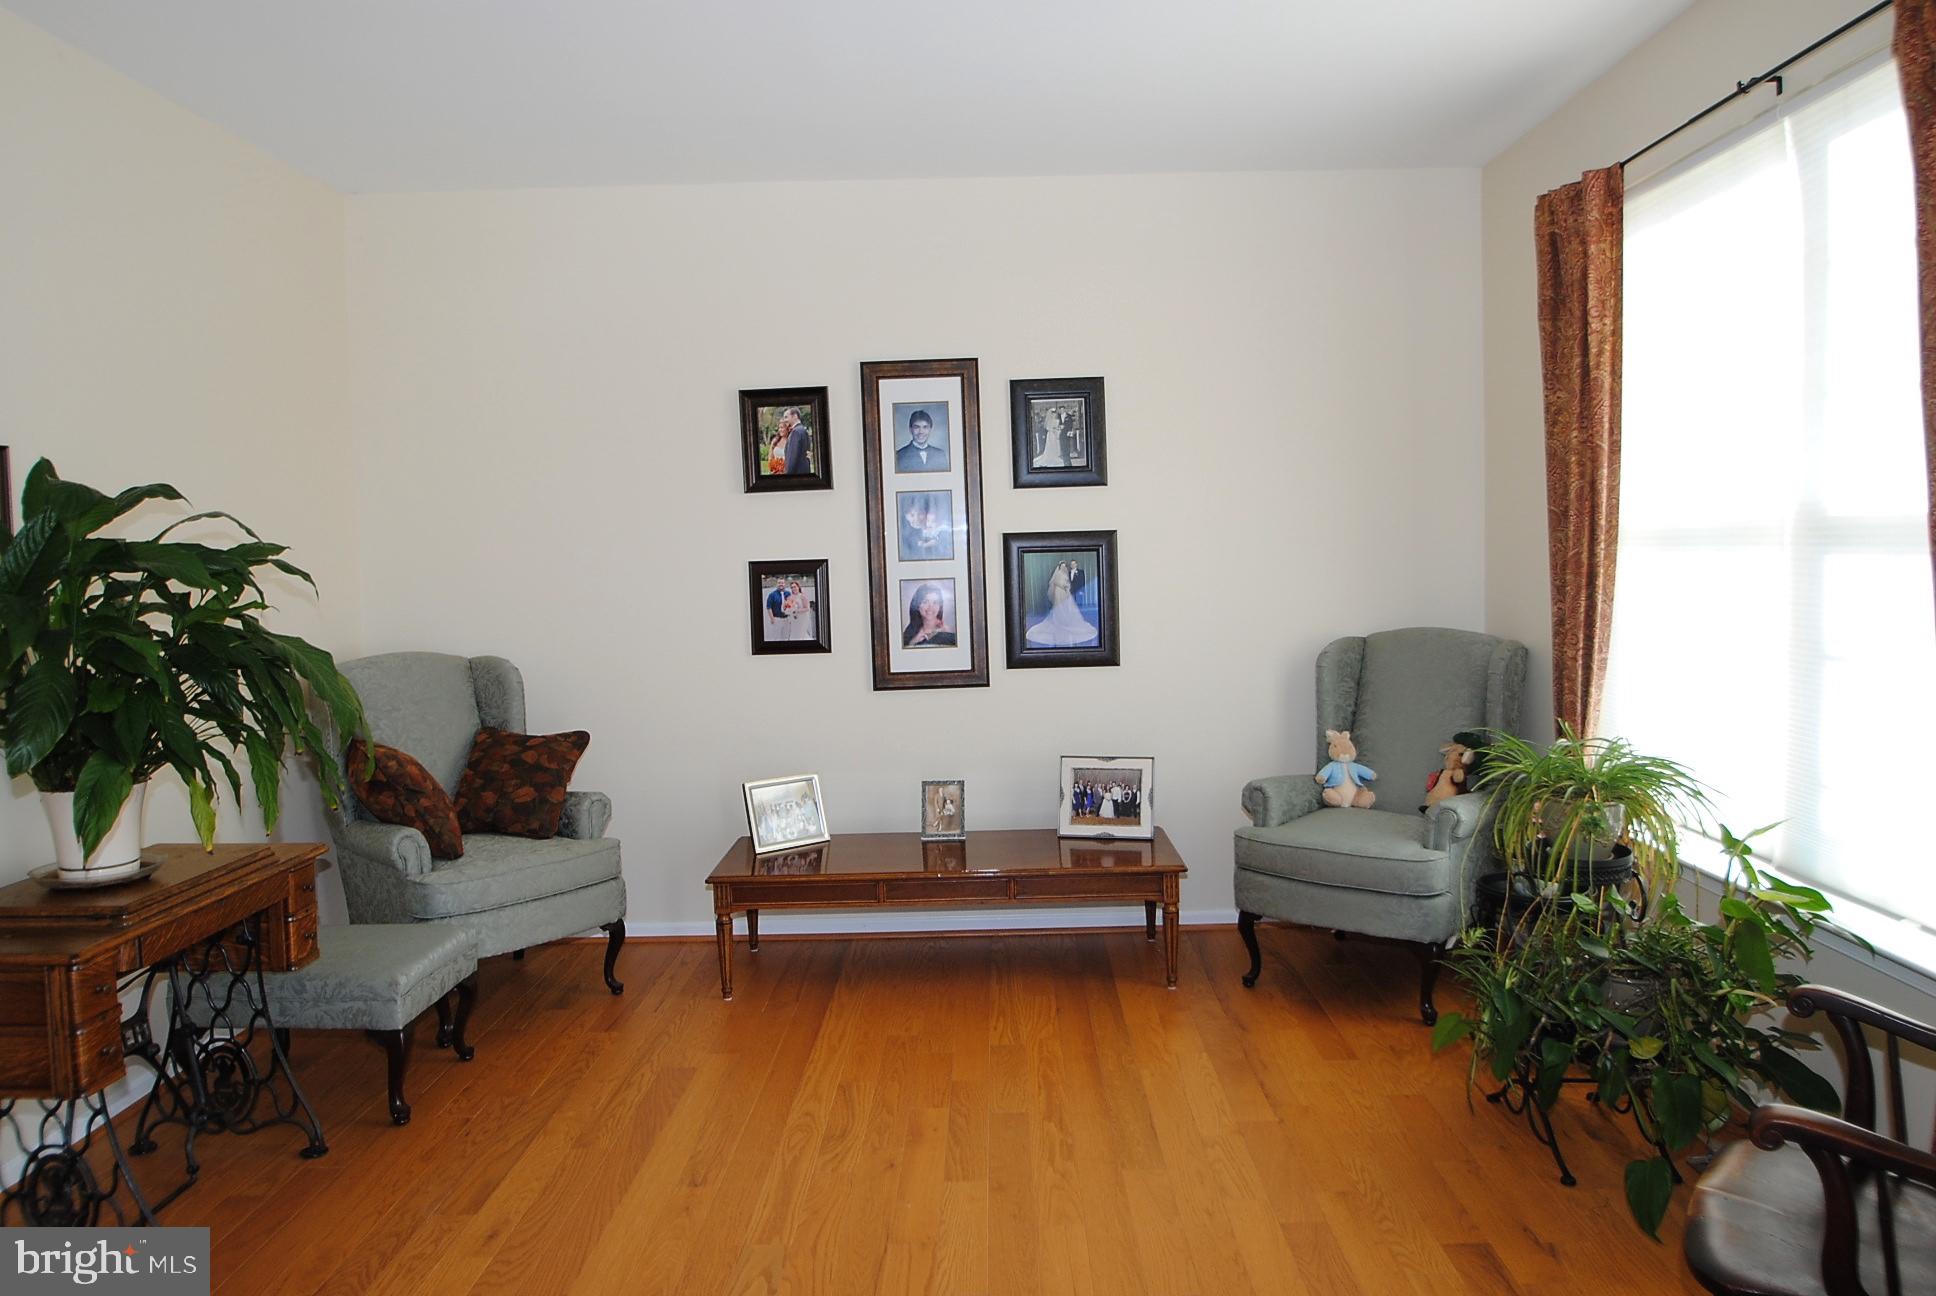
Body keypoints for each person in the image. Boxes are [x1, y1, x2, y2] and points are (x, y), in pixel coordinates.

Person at [1025, 560, 1099, 648]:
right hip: (1059, 592)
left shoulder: (1066, 573)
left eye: (1065, 566)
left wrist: (1067, 587)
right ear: (1060, 567)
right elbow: (1056, 582)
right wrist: (1064, 586)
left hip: (1065, 593)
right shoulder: (1058, 573)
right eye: (1062, 566)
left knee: (1067, 608)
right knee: (1059, 607)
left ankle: (1067, 620)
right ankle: (1060, 620)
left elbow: (1068, 583)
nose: (1064, 567)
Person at [894, 408, 948, 472]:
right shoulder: (899, 456)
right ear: (910, 429)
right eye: (917, 427)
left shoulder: (940, 454)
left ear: (930, 429)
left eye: (925, 427)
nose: (921, 432)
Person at [766, 407, 812, 476]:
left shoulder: (795, 432)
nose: (785, 420)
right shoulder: (803, 430)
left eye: (786, 417)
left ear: (795, 416)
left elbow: (792, 459)